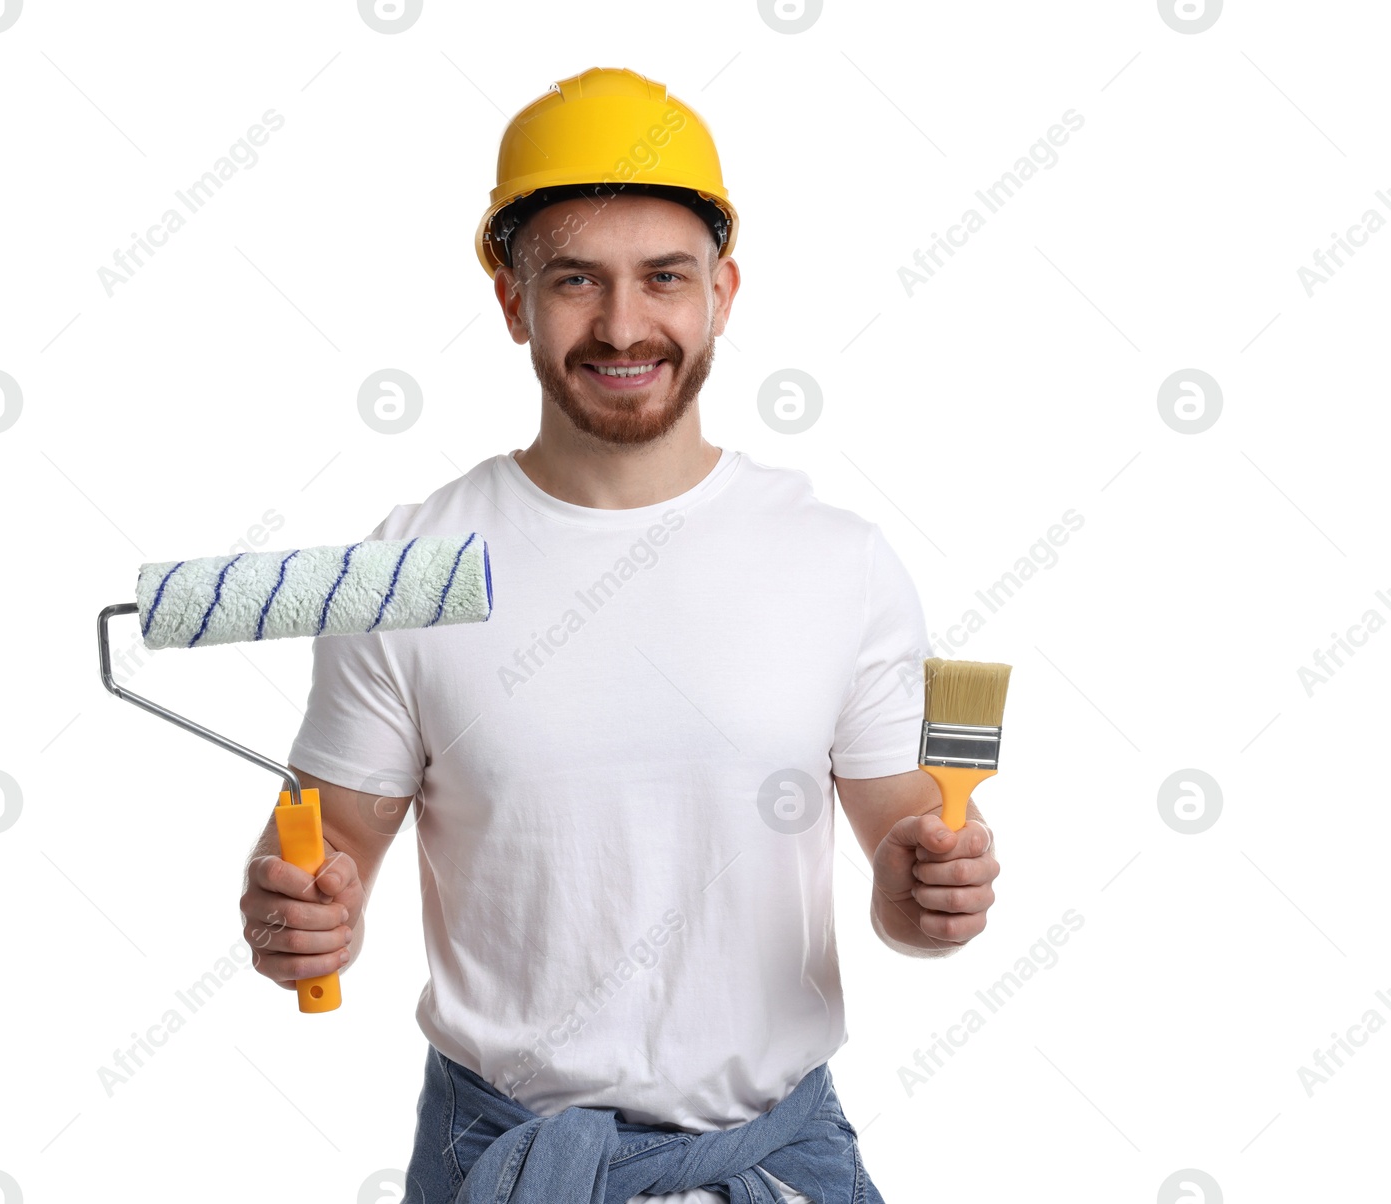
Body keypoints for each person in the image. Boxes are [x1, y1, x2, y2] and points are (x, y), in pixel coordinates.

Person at [238, 66, 999, 1204]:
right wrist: (300, 916)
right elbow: (326, 851)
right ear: (512, 301)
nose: (624, 324)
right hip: (501, 1160)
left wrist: (927, 891)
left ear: (723, 293)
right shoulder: (404, 572)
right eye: (576, 280)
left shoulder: (836, 562)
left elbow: (907, 855)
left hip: (773, 1158)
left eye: (664, 278)